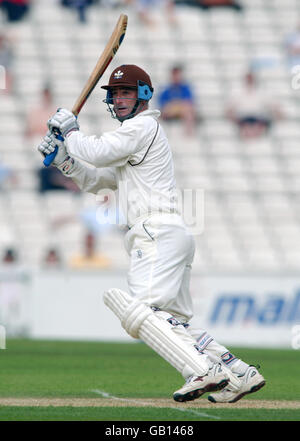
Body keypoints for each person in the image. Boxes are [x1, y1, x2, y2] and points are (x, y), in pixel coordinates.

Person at [38, 64, 265, 403]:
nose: (118, 100)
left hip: (156, 232)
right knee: (172, 324)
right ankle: (239, 372)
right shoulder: (135, 137)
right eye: (114, 95)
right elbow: (99, 180)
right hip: (168, 233)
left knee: (141, 314)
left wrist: (70, 132)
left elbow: (96, 151)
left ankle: (201, 370)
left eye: (126, 92)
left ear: (144, 94)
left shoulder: (142, 126)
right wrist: (63, 161)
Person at [225, 70, 283, 139]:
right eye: (248, 78)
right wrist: (233, 119)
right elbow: (229, 110)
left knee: (260, 124)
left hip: (259, 118)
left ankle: (256, 137)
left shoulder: (262, 92)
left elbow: (275, 107)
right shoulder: (237, 92)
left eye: (251, 78)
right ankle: (249, 137)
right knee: (246, 125)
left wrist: (277, 116)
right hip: (243, 118)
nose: (250, 80)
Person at [158, 65, 197, 136]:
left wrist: (176, 104)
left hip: (181, 110)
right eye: (175, 75)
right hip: (169, 111)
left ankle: (188, 134)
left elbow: (189, 102)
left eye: (178, 75)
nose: (176, 77)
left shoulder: (185, 88)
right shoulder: (166, 89)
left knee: (187, 110)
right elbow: (162, 104)